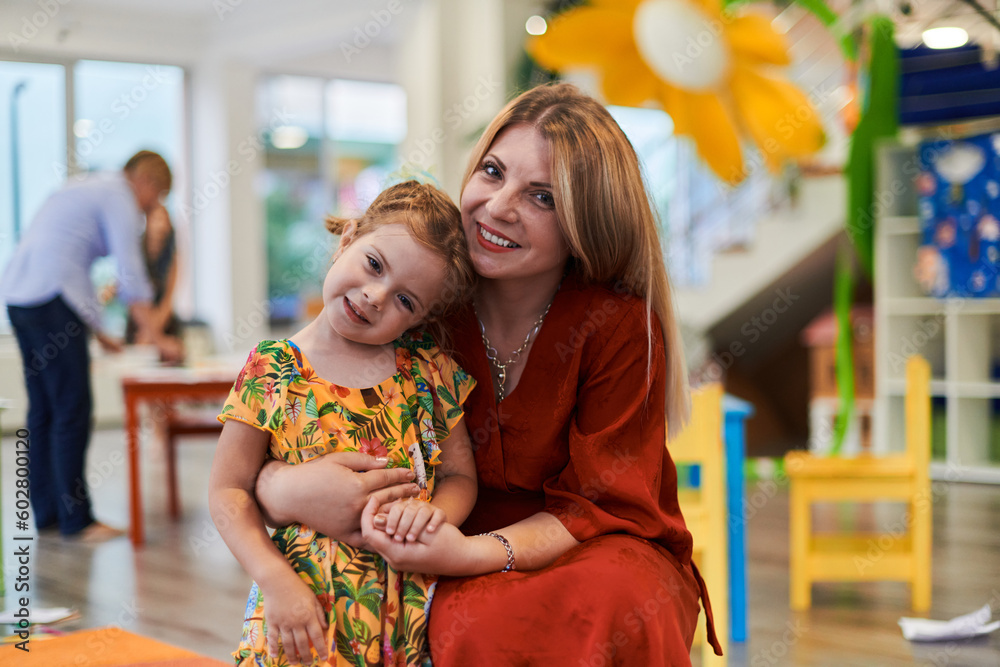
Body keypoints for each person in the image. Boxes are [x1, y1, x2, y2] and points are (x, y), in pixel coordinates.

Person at [255, 83, 722, 665]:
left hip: (590, 542)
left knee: (615, 601)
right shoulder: (417, 302)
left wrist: (469, 555)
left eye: (543, 198)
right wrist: (286, 487)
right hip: (437, 534)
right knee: (471, 624)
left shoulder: (618, 323)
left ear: (586, 222)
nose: (499, 207)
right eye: (493, 172)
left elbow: (599, 505)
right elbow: (289, 423)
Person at [208, 180, 479, 666]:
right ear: (348, 238)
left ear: (420, 319)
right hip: (299, 615)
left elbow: (460, 476)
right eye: (375, 265)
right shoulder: (272, 369)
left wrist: (435, 515)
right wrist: (274, 581)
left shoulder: (426, 369)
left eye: (405, 301)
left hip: (404, 617)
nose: (376, 296)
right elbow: (228, 492)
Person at [1, 150, 176, 541]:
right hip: (52, 299)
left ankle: (47, 514)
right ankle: (77, 520)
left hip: (20, 297)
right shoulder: (120, 196)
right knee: (73, 409)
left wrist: (99, 332)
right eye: (158, 195)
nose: (153, 207)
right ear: (146, 181)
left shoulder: (86, 186)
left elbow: (65, 260)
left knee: (44, 410)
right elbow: (130, 275)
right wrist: (159, 337)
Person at [124, 205, 186, 362]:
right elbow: (132, 295)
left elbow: (168, 301)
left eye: (164, 220)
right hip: (138, 323)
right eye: (156, 219)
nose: (160, 225)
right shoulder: (135, 254)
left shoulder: (173, 257)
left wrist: (152, 334)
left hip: (164, 323)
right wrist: (145, 330)